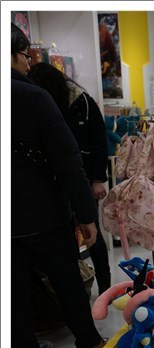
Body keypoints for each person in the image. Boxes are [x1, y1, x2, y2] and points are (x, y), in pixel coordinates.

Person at [11, 23, 106, 348]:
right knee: (68, 281)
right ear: (15, 54)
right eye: (25, 56)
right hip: (45, 213)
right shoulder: (33, 97)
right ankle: (88, 347)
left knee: (14, 299)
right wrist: (85, 214)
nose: (27, 63)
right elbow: (67, 162)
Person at [28, 62, 112, 295]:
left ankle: (105, 285)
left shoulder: (82, 103)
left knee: (92, 233)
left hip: (83, 179)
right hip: (55, 184)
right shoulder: (43, 105)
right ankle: (79, 286)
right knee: (66, 238)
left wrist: (98, 179)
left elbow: (99, 142)